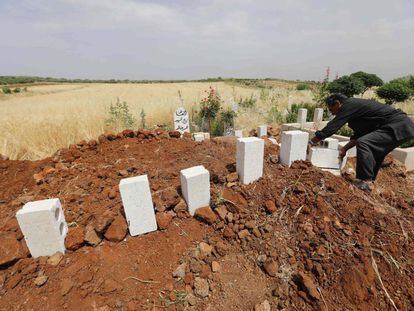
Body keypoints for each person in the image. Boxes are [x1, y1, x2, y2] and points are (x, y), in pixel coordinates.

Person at [308, 93, 414, 191]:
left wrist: (312, 142)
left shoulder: (349, 105)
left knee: (364, 143)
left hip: (398, 125)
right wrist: (344, 149)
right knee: (376, 151)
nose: (332, 113)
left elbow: (333, 126)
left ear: (337, 103)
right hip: (404, 127)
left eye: (332, 109)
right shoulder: (357, 111)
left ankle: (365, 181)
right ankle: (370, 181)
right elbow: (360, 134)